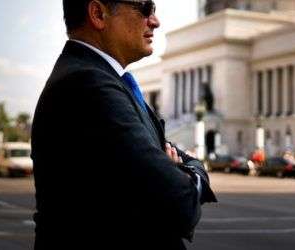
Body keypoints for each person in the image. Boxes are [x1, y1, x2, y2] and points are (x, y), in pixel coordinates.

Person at [31, 1, 217, 249]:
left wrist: (185, 168)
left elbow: (166, 150)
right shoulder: (89, 85)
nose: (155, 21)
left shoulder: (105, 81)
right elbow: (179, 202)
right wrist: (195, 174)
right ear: (98, 14)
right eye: (145, 8)